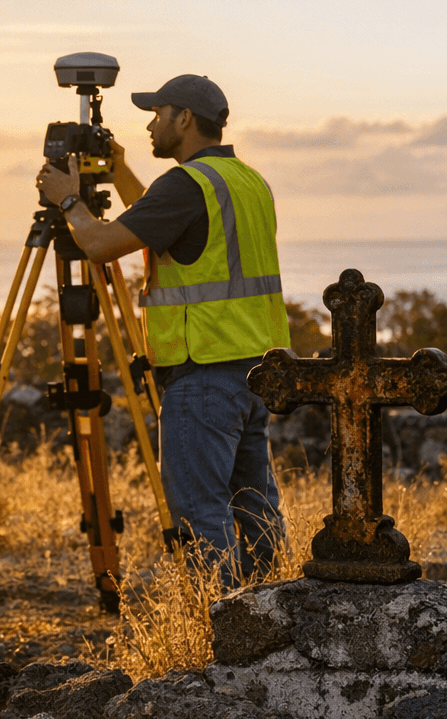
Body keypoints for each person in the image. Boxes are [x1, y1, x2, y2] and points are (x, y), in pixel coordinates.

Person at [35, 75, 289, 586]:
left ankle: (217, 618)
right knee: (255, 504)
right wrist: (120, 171)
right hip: (255, 368)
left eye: (158, 114)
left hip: (204, 370)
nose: (151, 126)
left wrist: (68, 201)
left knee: (201, 510)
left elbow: (100, 244)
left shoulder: (186, 185)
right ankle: (278, 608)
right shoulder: (244, 180)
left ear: (185, 119)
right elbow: (161, 222)